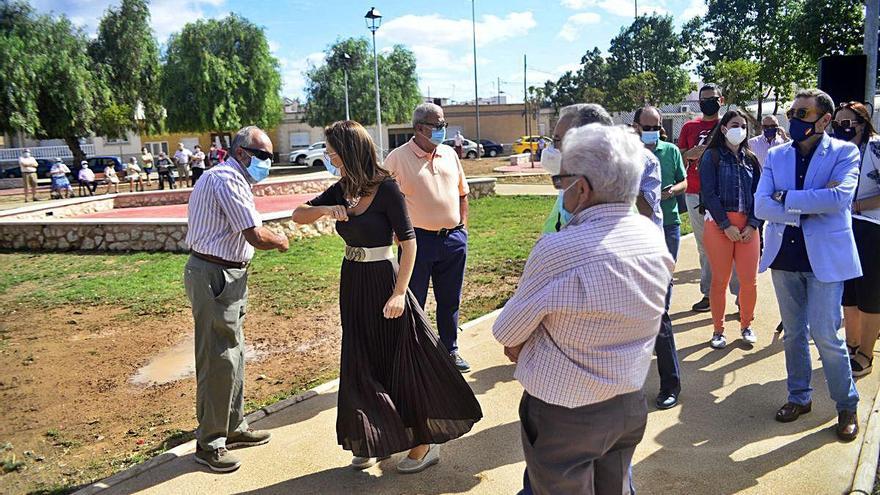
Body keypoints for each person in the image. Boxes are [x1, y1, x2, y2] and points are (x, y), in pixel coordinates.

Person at [494, 123, 674, 495]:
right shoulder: (652, 239)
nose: (560, 189)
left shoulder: (559, 249)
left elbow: (506, 332)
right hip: (627, 401)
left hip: (567, 411)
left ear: (583, 187)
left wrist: (533, 338)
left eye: (563, 180)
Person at [292, 120, 482, 473]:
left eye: (333, 152)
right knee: (359, 358)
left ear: (349, 150)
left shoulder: (387, 187)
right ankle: (370, 436)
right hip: (353, 281)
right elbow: (297, 215)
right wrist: (323, 210)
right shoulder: (343, 188)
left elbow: (409, 244)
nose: (330, 157)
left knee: (399, 359)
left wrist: (399, 294)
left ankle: (425, 445)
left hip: (384, 281)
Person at [755, 89, 860, 442]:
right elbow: (761, 206)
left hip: (825, 261)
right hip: (784, 258)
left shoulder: (846, 152)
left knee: (827, 336)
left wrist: (785, 199)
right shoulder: (777, 155)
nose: (793, 119)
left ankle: (846, 405)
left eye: (802, 113)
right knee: (794, 335)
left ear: (824, 120)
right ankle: (799, 397)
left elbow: (838, 198)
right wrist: (807, 203)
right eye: (792, 112)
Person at [184, 125, 289, 472]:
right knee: (218, 358)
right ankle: (210, 442)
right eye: (263, 156)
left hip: (226, 274)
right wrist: (281, 240)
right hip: (215, 276)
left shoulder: (228, 178)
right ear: (242, 152)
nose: (268, 163)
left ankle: (233, 426)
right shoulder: (227, 180)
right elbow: (255, 234)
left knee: (233, 354)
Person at [383, 103, 472, 372]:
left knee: (450, 300)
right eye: (438, 125)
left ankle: (450, 350)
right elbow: (385, 202)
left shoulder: (449, 154)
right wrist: (397, 236)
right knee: (413, 301)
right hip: (416, 244)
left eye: (444, 124)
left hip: (453, 241)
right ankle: (412, 355)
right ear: (420, 127)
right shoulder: (397, 159)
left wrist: (462, 229)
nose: (443, 130)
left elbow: (462, 193)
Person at [634, 106, 686, 409]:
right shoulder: (616, 157)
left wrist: (627, 178)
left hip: (658, 235)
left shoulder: (654, 158)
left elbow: (647, 203)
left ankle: (671, 383)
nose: (652, 130)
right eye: (647, 125)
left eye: (656, 125)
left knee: (658, 310)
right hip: (621, 246)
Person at [542, 103, 661, 233]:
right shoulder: (572, 180)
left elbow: (647, 211)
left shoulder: (608, 195)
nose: (554, 148)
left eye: (558, 140)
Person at [699, 110, 763, 349]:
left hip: (748, 228)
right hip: (718, 226)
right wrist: (725, 225)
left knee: (749, 281)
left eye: (743, 126)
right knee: (720, 280)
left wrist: (753, 224)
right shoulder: (712, 156)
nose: (741, 130)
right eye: (735, 125)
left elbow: (760, 194)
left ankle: (746, 325)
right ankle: (718, 330)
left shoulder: (751, 158)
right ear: (724, 129)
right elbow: (709, 193)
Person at [680, 83, 740, 312]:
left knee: (732, 243)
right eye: (703, 99)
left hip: (725, 193)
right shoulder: (689, 126)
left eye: (712, 98)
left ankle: (739, 296)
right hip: (695, 192)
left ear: (721, 100)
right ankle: (709, 294)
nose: (707, 102)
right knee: (704, 246)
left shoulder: (730, 125)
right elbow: (680, 159)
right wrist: (689, 154)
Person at [834, 101, 880, 377]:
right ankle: (850, 345)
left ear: (862, 123)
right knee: (848, 291)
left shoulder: (875, 147)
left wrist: (856, 206)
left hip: (871, 228)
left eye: (847, 122)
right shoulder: (836, 150)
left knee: (870, 293)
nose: (841, 127)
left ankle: (866, 352)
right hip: (841, 227)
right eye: (837, 122)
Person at [748, 115, 790, 334]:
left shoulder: (785, 144)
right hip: (761, 195)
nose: (769, 130)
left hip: (781, 199)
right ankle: (761, 254)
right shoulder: (753, 143)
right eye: (766, 127)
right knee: (760, 231)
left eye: (773, 127)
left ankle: (790, 316)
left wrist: (784, 137)